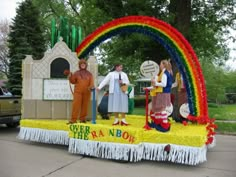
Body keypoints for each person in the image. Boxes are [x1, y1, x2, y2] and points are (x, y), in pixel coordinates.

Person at [144, 60, 173, 132]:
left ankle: (165, 126)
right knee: (159, 109)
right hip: (162, 93)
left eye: (160, 64)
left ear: (164, 65)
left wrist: (155, 83)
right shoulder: (163, 73)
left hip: (163, 93)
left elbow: (164, 84)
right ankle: (158, 123)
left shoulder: (164, 74)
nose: (159, 65)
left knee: (162, 109)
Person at [64, 59, 94, 124]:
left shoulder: (89, 74)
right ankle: (73, 120)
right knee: (76, 105)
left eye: (84, 64)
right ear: (79, 65)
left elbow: (91, 82)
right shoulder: (76, 73)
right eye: (81, 64)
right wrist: (70, 76)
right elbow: (73, 81)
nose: (83, 65)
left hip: (87, 92)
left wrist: (91, 87)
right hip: (78, 92)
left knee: (85, 106)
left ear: (86, 65)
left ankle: (82, 119)